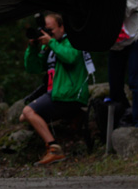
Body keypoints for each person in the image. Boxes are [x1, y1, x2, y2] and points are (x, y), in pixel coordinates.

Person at [20, 13, 90, 166]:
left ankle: (54, 149)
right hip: (56, 94)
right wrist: (33, 47)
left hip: (69, 93)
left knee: (28, 112)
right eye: (45, 31)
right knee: (23, 117)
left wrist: (51, 42)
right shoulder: (50, 46)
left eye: (50, 30)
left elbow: (70, 57)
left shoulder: (72, 41)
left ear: (62, 27)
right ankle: (75, 115)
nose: (48, 34)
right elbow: (33, 68)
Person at [108, 0, 138, 129]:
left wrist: (106, 12)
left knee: (135, 81)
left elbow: (131, 7)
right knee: (115, 86)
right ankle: (127, 117)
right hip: (115, 45)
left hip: (135, 39)